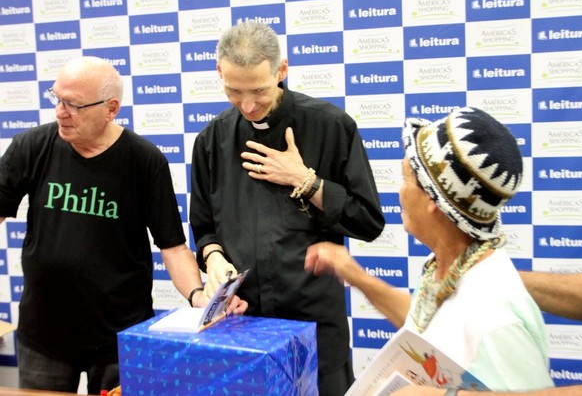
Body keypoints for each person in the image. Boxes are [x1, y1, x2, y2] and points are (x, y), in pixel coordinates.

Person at [0, 56, 246, 394]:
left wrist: (197, 296)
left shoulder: (144, 161)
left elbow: (172, 247)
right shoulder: (32, 147)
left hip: (119, 337)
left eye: (73, 105)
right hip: (44, 337)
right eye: (57, 99)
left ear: (111, 108)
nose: (60, 112)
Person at [189, 21, 385, 395]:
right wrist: (213, 259)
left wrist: (307, 182)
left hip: (314, 327)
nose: (247, 105)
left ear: (282, 70)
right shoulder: (210, 140)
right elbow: (203, 228)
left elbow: (369, 221)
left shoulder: (330, 126)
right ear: (219, 72)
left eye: (259, 91)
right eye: (233, 90)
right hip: (241, 327)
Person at [305, 107, 554, 393]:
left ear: (434, 202)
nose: (399, 192)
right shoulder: (454, 266)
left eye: (406, 179)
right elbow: (430, 331)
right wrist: (356, 276)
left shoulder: (493, 318)